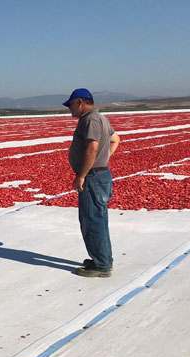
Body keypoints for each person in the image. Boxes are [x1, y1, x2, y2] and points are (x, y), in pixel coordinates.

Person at [63, 88, 121, 278]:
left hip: (93, 178)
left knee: (92, 220)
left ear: (80, 102)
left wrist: (82, 175)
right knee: (98, 219)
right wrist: (103, 160)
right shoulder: (100, 118)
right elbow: (115, 139)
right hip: (99, 173)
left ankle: (101, 265)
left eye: (71, 105)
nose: (69, 109)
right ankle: (102, 258)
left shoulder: (90, 120)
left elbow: (92, 148)